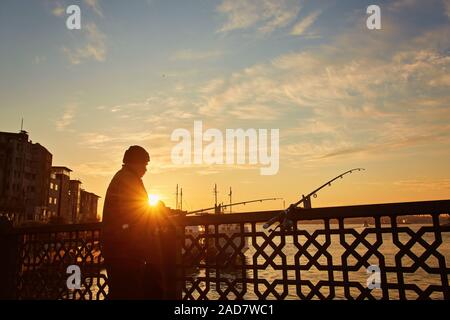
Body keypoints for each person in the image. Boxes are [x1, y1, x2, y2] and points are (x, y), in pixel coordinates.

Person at [102, 145, 162, 299]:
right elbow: (135, 211)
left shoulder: (122, 177)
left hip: (118, 250)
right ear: (136, 162)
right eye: (145, 164)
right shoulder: (129, 179)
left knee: (120, 292)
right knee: (127, 292)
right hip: (125, 251)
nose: (146, 169)